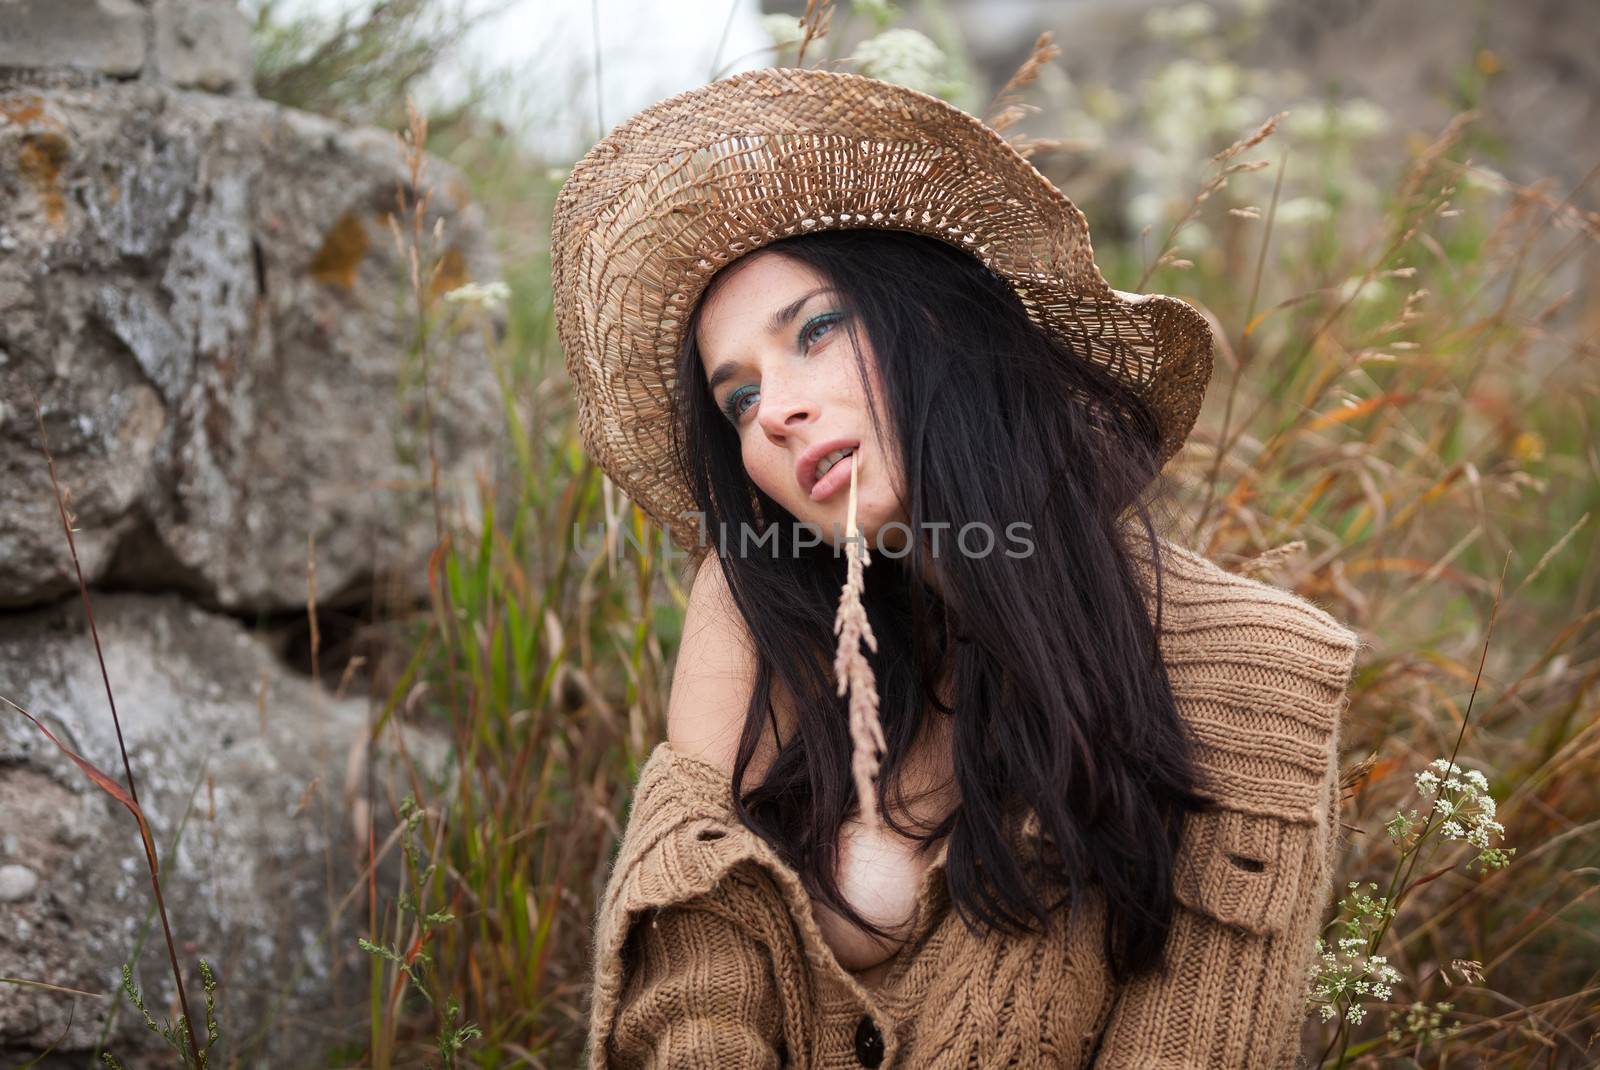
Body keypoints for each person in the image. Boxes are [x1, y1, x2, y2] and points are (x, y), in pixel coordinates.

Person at [551, 65, 1362, 1070]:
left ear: (938, 324)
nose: (775, 412)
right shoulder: (772, 621)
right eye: (737, 399)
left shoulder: (1253, 670)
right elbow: (694, 997)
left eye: (815, 328)